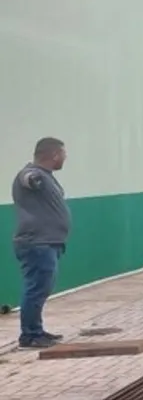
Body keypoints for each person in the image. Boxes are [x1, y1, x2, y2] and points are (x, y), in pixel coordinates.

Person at [11, 137, 70, 349]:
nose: (65, 158)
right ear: (54, 155)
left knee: (42, 288)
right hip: (36, 243)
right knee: (36, 288)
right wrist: (33, 178)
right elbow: (27, 177)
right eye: (63, 154)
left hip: (47, 242)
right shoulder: (31, 174)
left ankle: (36, 330)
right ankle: (29, 336)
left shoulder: (48, 177)